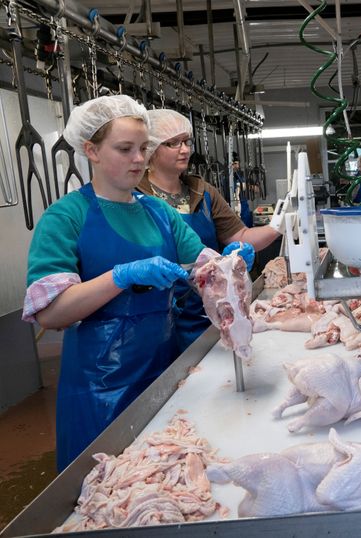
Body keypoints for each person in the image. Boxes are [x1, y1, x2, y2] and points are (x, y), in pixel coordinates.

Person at [22, 96, 240, 470]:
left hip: (164, 368)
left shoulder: (158, 211)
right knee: (105, 490)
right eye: (125, 149)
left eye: (143, 148)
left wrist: (229, 266)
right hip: (99, 387)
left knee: (166, 477)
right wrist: (120, 277)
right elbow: (51, 314)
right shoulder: (65, 218)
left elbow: (203, 267)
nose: (139, 159)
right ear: (91, 149)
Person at [138, 109, 280, 353]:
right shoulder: (137, 198)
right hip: (155, 319)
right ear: (150, 148)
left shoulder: (201, 192)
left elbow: (242, 236)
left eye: (186, 141)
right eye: (173, 143)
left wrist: (279, 225)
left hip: (210, 311)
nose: (184, 150)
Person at [231, 152, 254, 227]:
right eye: (234, 163)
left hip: (244, 208)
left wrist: (247, 186)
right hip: (233, 207)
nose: (236, 166)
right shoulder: (225, 178)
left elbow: (257, 189)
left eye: (237, 163)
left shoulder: (242, 174)